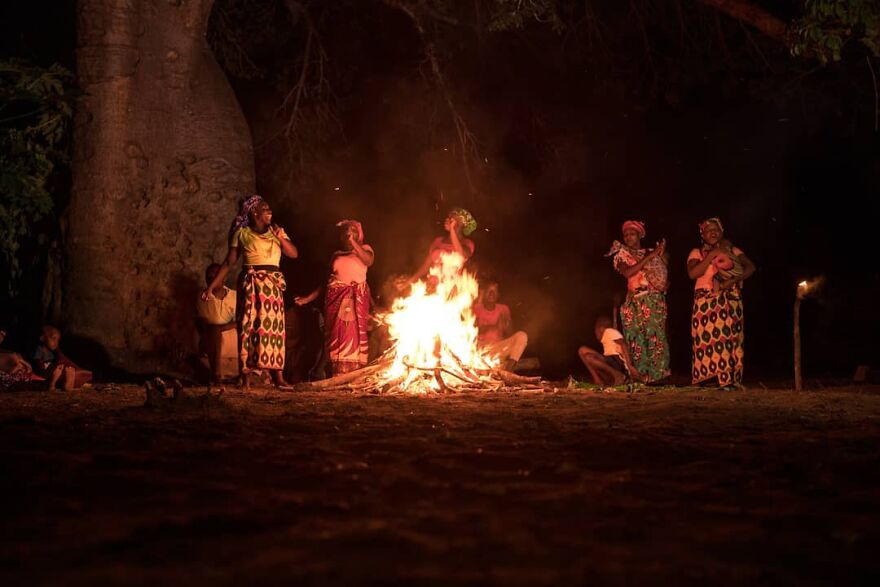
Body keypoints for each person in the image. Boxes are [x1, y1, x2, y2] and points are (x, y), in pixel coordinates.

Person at [202, 195, 298, 389]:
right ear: (254, 212)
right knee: (249, 328)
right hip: (251, 284)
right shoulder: (242, 233)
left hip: (272, 286)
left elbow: (294, 254)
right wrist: (211, 288)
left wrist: (280, 237)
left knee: (274, 330)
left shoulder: (277, 231)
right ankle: (245, 376)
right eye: (266, 208)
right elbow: (229, 263)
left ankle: (278, 377)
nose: (270, 212)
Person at [296, 220, 374, 376]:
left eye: (353, 230)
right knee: (336, 336)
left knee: (355, 336)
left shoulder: (366, 249)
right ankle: (335, 373)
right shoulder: (336, 255)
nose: (349, 232)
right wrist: (307, 299)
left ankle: (354, 374)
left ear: (359, 234)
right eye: (346, 231)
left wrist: (353, 242)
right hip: (335, 300)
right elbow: (325, 282)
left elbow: (368, 261)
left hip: (357, 301)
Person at [687, 217, 756, 389]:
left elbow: (750, 267)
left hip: (731, 299)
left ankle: (731, 380)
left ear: (722, 231)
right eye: (708, 229)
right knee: (712, 340)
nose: (713, 232)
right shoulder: (697, 252)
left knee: (731, 339)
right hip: (706, 301)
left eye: (716, 228)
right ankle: (714, 379)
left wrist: (733, 281)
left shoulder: (732, 249)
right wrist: (711, 255)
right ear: (702, 234)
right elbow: (693, 273)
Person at [605, 220, 670, 383]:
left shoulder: (651, 252)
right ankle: (642, 376)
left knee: (656, 337)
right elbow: (628, 273)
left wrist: (660, 253)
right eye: (625, 234)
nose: (628, 237)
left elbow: (664, 270)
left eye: (632, 234)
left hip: (652, 299)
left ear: (640, 235)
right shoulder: (621, 255)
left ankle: (658, 376)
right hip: (633, 302)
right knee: (636, 340)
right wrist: (650, 257)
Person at [409, 208, 477, 285]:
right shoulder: (438, 241)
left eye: (454, 218)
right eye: (449, 217)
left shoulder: (467, 243)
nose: (449, 219)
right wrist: (409, 282)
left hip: (453, 288)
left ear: (462, 224)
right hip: (434, 286)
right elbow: (426, 266)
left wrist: (452, 230)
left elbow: (461, 253)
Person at [196, 263, 238, 385]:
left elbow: (241, 321)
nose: (211, 279)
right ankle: (217, 375)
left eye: (215, 276)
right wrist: (219, 329)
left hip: (231, 338)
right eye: (208, 277)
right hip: (212, 337)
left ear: (224, 278)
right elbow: (205, 324)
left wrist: (222, 328)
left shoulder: (234, 296)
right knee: (212, 330)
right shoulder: (203, 297)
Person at [473, 281, 528, 371]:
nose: (491, 294)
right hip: (481, 349)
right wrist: (493, 326)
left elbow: (509, 333)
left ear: (498, 295)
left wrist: (505, 324)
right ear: (484, 294)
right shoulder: (477, 309)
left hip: (498, 348)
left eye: (494, 291)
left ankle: (508, 371)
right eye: (489, 291)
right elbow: (470, 333)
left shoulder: (503, 309)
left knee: (522, 335)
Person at [578, 316, 643, 386]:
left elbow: (623, 344)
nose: (595, 333)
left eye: (595, 330)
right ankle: (598, 379)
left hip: (617, 362)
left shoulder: (609, 331)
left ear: (601, 328)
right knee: (582, 350)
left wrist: (630, 365)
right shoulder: (606, 339)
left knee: (588, 357)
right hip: (612, 364)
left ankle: (617, 375)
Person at [32, 325, 93, 391]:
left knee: (72, 371)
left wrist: (75, 370)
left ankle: (69, 384)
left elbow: (64, 360)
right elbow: (42, 374)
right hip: (46, 378)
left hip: (53, 373)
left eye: (58, 340)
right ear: (42, 338)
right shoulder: (38, 352)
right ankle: (54, 385)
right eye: (53, 338)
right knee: (61, 373)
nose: (56, 343)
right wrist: (55, 371)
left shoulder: (54, 352)